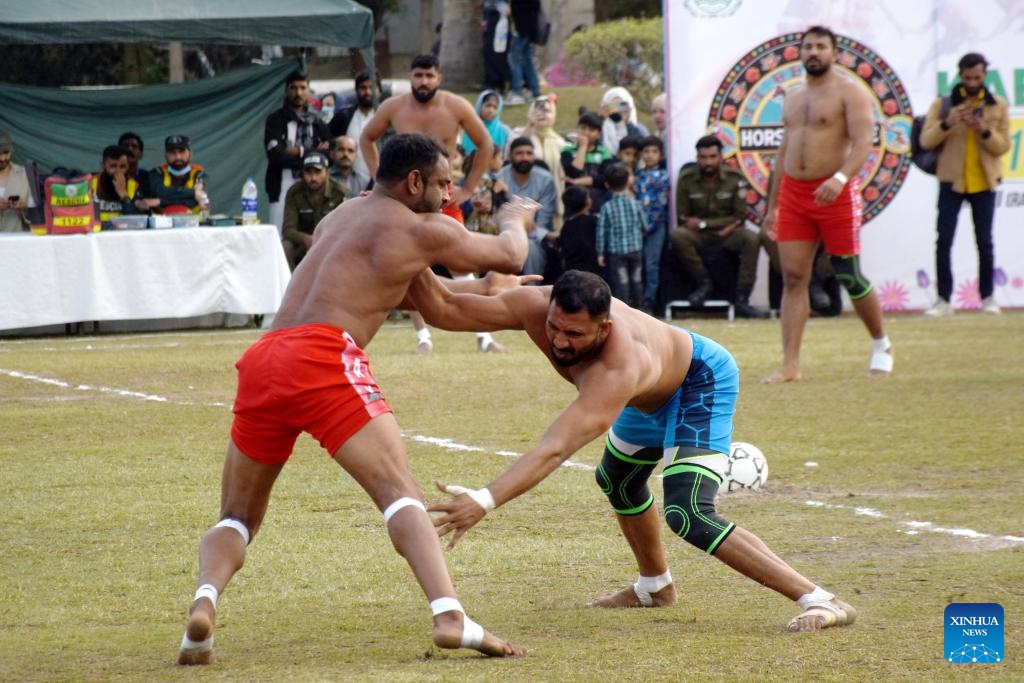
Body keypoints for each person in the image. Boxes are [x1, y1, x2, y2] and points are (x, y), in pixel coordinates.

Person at [176, 133, 530, 666]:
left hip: (264, 359)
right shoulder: (422, 227)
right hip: (322, 356)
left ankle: (203, 610)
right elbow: (508, 253)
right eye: (441, 182)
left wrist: (508, 298)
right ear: (414, 182)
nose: (448, 191)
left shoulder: (337, 217)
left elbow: (436, 304)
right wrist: (515, 217)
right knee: (398, 491)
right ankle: (450, 615)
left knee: (237, 515)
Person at [410, 269, 857, 634]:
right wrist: (411, 247)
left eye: (575, 334)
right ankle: (655, 586)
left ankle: (822, 599)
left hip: (696, 382)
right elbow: (444, 306)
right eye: (554, 327)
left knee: (689, 513)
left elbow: (555, 447)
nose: (560, 342)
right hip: (648, 393)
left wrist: (483, 500)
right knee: (618, 481)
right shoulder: (533, 305)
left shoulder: (618, 368)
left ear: (604, 327)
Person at [762, 26, 892, 382]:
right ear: (800, 53)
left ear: (834, 53)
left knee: (848, 274)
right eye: (808, 46)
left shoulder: (850, 92)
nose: (813, 52)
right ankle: (790, 364)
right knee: (792, 277)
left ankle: (881, 344)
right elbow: (783, 153)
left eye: (821, 46)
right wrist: (771, 206)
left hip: (835, 192)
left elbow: (865, 142)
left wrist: (839, 180)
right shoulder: (792, 97)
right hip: (793, 194)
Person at [361, 53, 506, 355]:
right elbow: (367, 138)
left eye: (429, 75)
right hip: (404, 198)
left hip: (443, 194)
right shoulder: (394, 107)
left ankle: (483, 336)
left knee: (462, 261)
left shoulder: (456, 106)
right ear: (410, 77)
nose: (423, 81)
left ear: (439, 78)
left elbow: (485, 144)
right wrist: (380, 181)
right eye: (418, 75)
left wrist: (467, 187)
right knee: (409, 264)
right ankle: (423, 337)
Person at [920, 52, 1010, 316]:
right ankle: (943, 300)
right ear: (960, 75)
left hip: (983, 180)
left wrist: (983, 129)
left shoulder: (998, 105)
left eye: (977, 77)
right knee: (944, 240)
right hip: (951, 180)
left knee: (984, 241)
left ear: (985, 76)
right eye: (968, 77)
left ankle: (988, 297)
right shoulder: (944, 104)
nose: (972, 82)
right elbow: (926, 141)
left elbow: (1003, 146)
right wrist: (947, 124)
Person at [670, 135, 769, 319]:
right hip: (699, 235)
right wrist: (709, 225)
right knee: (678, 236)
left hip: (728, 235)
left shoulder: (735, 179)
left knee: (751, 239)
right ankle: (704, 283)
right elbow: (684, 218)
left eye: (712, 157)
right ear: (697, 157)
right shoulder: (686, 179)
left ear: (721, 156)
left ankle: (742, 299)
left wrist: (703, 223)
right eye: (703, 157)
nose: (708, 162)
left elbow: (739, 217)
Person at [265, 70, 331, 234]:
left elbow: (329, 154)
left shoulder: (317, 121)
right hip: (282, 183)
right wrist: (313, 153)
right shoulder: (276, 120)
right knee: (280, 233)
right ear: (287, 91)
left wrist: (299, 151)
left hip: (313, 185)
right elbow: (276, 156)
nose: (298, 93)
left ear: (309, 90)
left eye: (303, 88)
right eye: (294, 88)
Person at [495, 137, 558, 279]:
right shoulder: (500, 177)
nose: (525, 157)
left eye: (529, 153)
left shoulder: (545, 179)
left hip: (536, 236)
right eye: (519, 153)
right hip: (503, 232)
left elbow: (543, 220)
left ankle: (532, 289)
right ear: (510, 156)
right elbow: (496, 211)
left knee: (531, 247)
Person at [282, 152, 348, 270]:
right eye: (308, 172)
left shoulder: (340, 193)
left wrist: (322, 240)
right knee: (285, 246)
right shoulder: (294, 193)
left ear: (327, 173)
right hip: (303, 245)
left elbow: (347, 229)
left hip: (331, 242)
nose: (313, 178)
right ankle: (290, 285)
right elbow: (288, 230)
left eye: (317, 172)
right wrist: (306, 239)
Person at [596, 163, 646, 308]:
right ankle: (640, 309)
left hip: (616, 252)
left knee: (621, 282)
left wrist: (600, 253)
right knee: (637, 279)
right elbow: (645, 225)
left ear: (607, 185)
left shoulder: (606, 207)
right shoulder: (636, 204)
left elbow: (601, 231)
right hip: (636, 248)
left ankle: (624, 310)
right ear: (627, 182)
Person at [513, 94, 566, 224]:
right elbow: (516, 150)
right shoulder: (518, 133)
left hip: (551, 197)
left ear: (554, 115)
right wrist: (530, 125)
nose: (542, 114)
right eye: (539, 109)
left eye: (547, 111)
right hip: (524, 195)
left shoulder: (560, 143)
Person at [633, 136, 670, 312]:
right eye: (646, 152)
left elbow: (660, 205)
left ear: (661, 154)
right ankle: (637, 301)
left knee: (652, 263)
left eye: (654, 152)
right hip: (636, 228)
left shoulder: (664, 176)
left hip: (656, 227)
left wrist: (648, 227)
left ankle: (649, 301)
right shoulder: (636, 177)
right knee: (637, 263)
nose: (649, 155)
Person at [135, 135, 208, 215]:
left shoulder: (198, 173)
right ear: (166, 155)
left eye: (182, 152)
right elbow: (160, 192)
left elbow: (192, 202)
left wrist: (159, 201)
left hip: (194, 224)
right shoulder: (156, 173)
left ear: (190, 154)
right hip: (160, 224)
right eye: (172, 153)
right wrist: (193, 193)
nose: (177, 157)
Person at [329, 70, 379, 180]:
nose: (367, 92)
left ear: (379, 91)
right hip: (347, 182)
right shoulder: (344, 116)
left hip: (378, 183)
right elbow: (329, 143)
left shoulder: (386, 119)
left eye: (372, 87)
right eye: (363, 88)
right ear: (356, 90)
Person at [562, 111, 614, 213]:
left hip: (598, 205)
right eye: (583, 128)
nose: (586, 132)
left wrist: (576, 182)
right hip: (573, 207)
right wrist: (583, 147)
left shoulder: (604, 153)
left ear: (599, 134)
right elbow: (573, 172)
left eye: (591, 130)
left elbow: (604, 180)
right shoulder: (567, 151)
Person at [92, 145, 143, 226]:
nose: (118, 171)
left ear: (128, 167)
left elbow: (137, 222)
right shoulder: (90, 183)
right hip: (97, 234)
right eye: (113, 166)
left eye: (122, 166)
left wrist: (124, 195)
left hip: (122, 235)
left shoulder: (133, 186)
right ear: (103, 165)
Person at [558, 185, 600, 276]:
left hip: (573, 271)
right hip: (594, 270)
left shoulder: (567, 226)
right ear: (587, 202)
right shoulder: (593, 221)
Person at [506, 0, 542, 105]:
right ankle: (535, 92)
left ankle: (517, 92)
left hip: (521, 28)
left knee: (514, 58)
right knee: (527, 59)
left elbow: (526, 7)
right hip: (526, 28)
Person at [599, 87, 649, 157]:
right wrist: (603, 121)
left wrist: (626, 122)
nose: (618, 110)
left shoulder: (639, 129)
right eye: (613, 106)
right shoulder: (599, 130)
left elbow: (646, 148)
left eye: (622, 105)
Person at [462, 90, 511, 157]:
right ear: (479, 106)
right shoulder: (468, 128)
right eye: (488, 106)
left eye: (495, 107)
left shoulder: (504, 131)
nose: (491, 110)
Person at [0, 131, 31, 232]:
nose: (2, 158)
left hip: (16, 241)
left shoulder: (24, 175)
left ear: (11, 151)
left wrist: (25, 207)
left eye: (6, 153)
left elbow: (38, 215)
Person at [481, 1, 511, 97]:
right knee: (489, 49)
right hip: (490, 12)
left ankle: (497, 82)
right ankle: (492, 81)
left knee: (498, 50)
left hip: (500, 14)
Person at [118, 131, 150, 197]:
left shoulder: (149, 179)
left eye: (134, 146)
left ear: (141, 155)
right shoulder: (110, 177)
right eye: (125, 146)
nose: (129, 149)